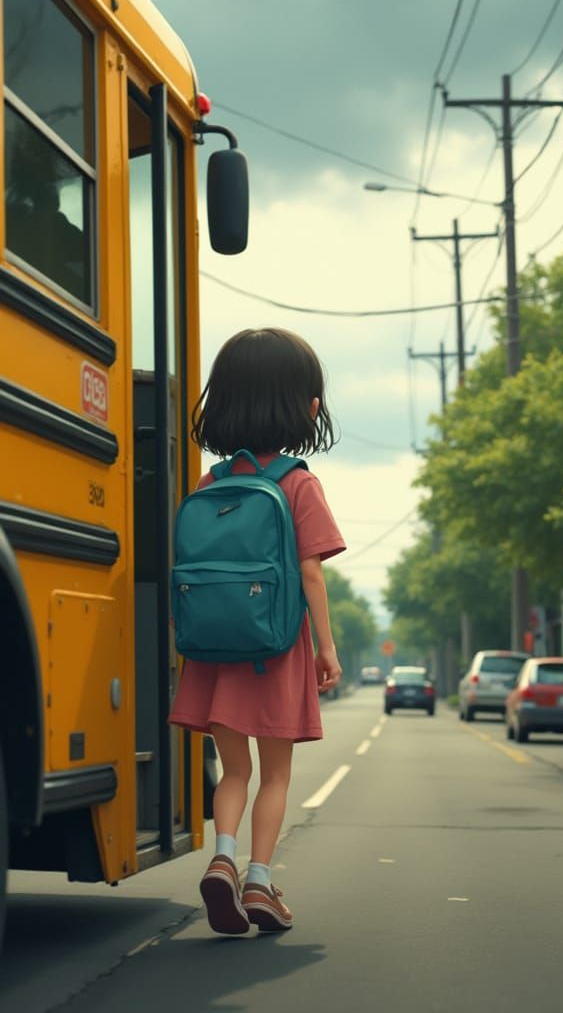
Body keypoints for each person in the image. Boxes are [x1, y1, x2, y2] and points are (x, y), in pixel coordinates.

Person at [168, 327, 346, 935]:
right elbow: (311, 576)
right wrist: (326, 648)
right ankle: (260, 881)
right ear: (307, 408)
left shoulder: (209, 486)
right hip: (275, 650)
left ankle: (221, 856)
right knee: (275, 773)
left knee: (233, 770)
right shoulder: (297, 484)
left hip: (214, 653)